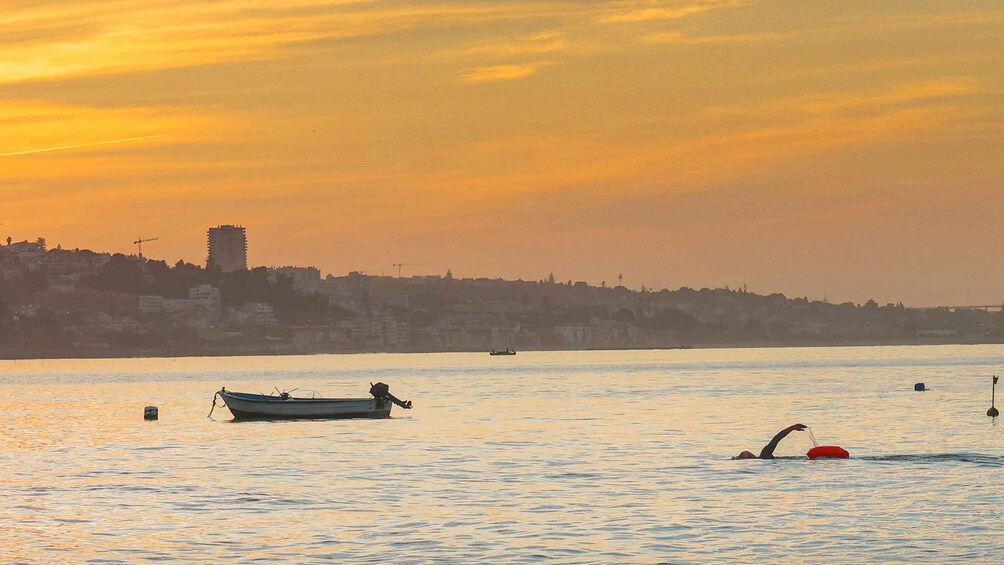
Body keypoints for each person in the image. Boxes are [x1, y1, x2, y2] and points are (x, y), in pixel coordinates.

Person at [734, 424, 807, 459]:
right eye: (749, 453)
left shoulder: (763, 457)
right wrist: (792, 427)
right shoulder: (764, 455)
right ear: (751, 456)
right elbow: (776, 439)